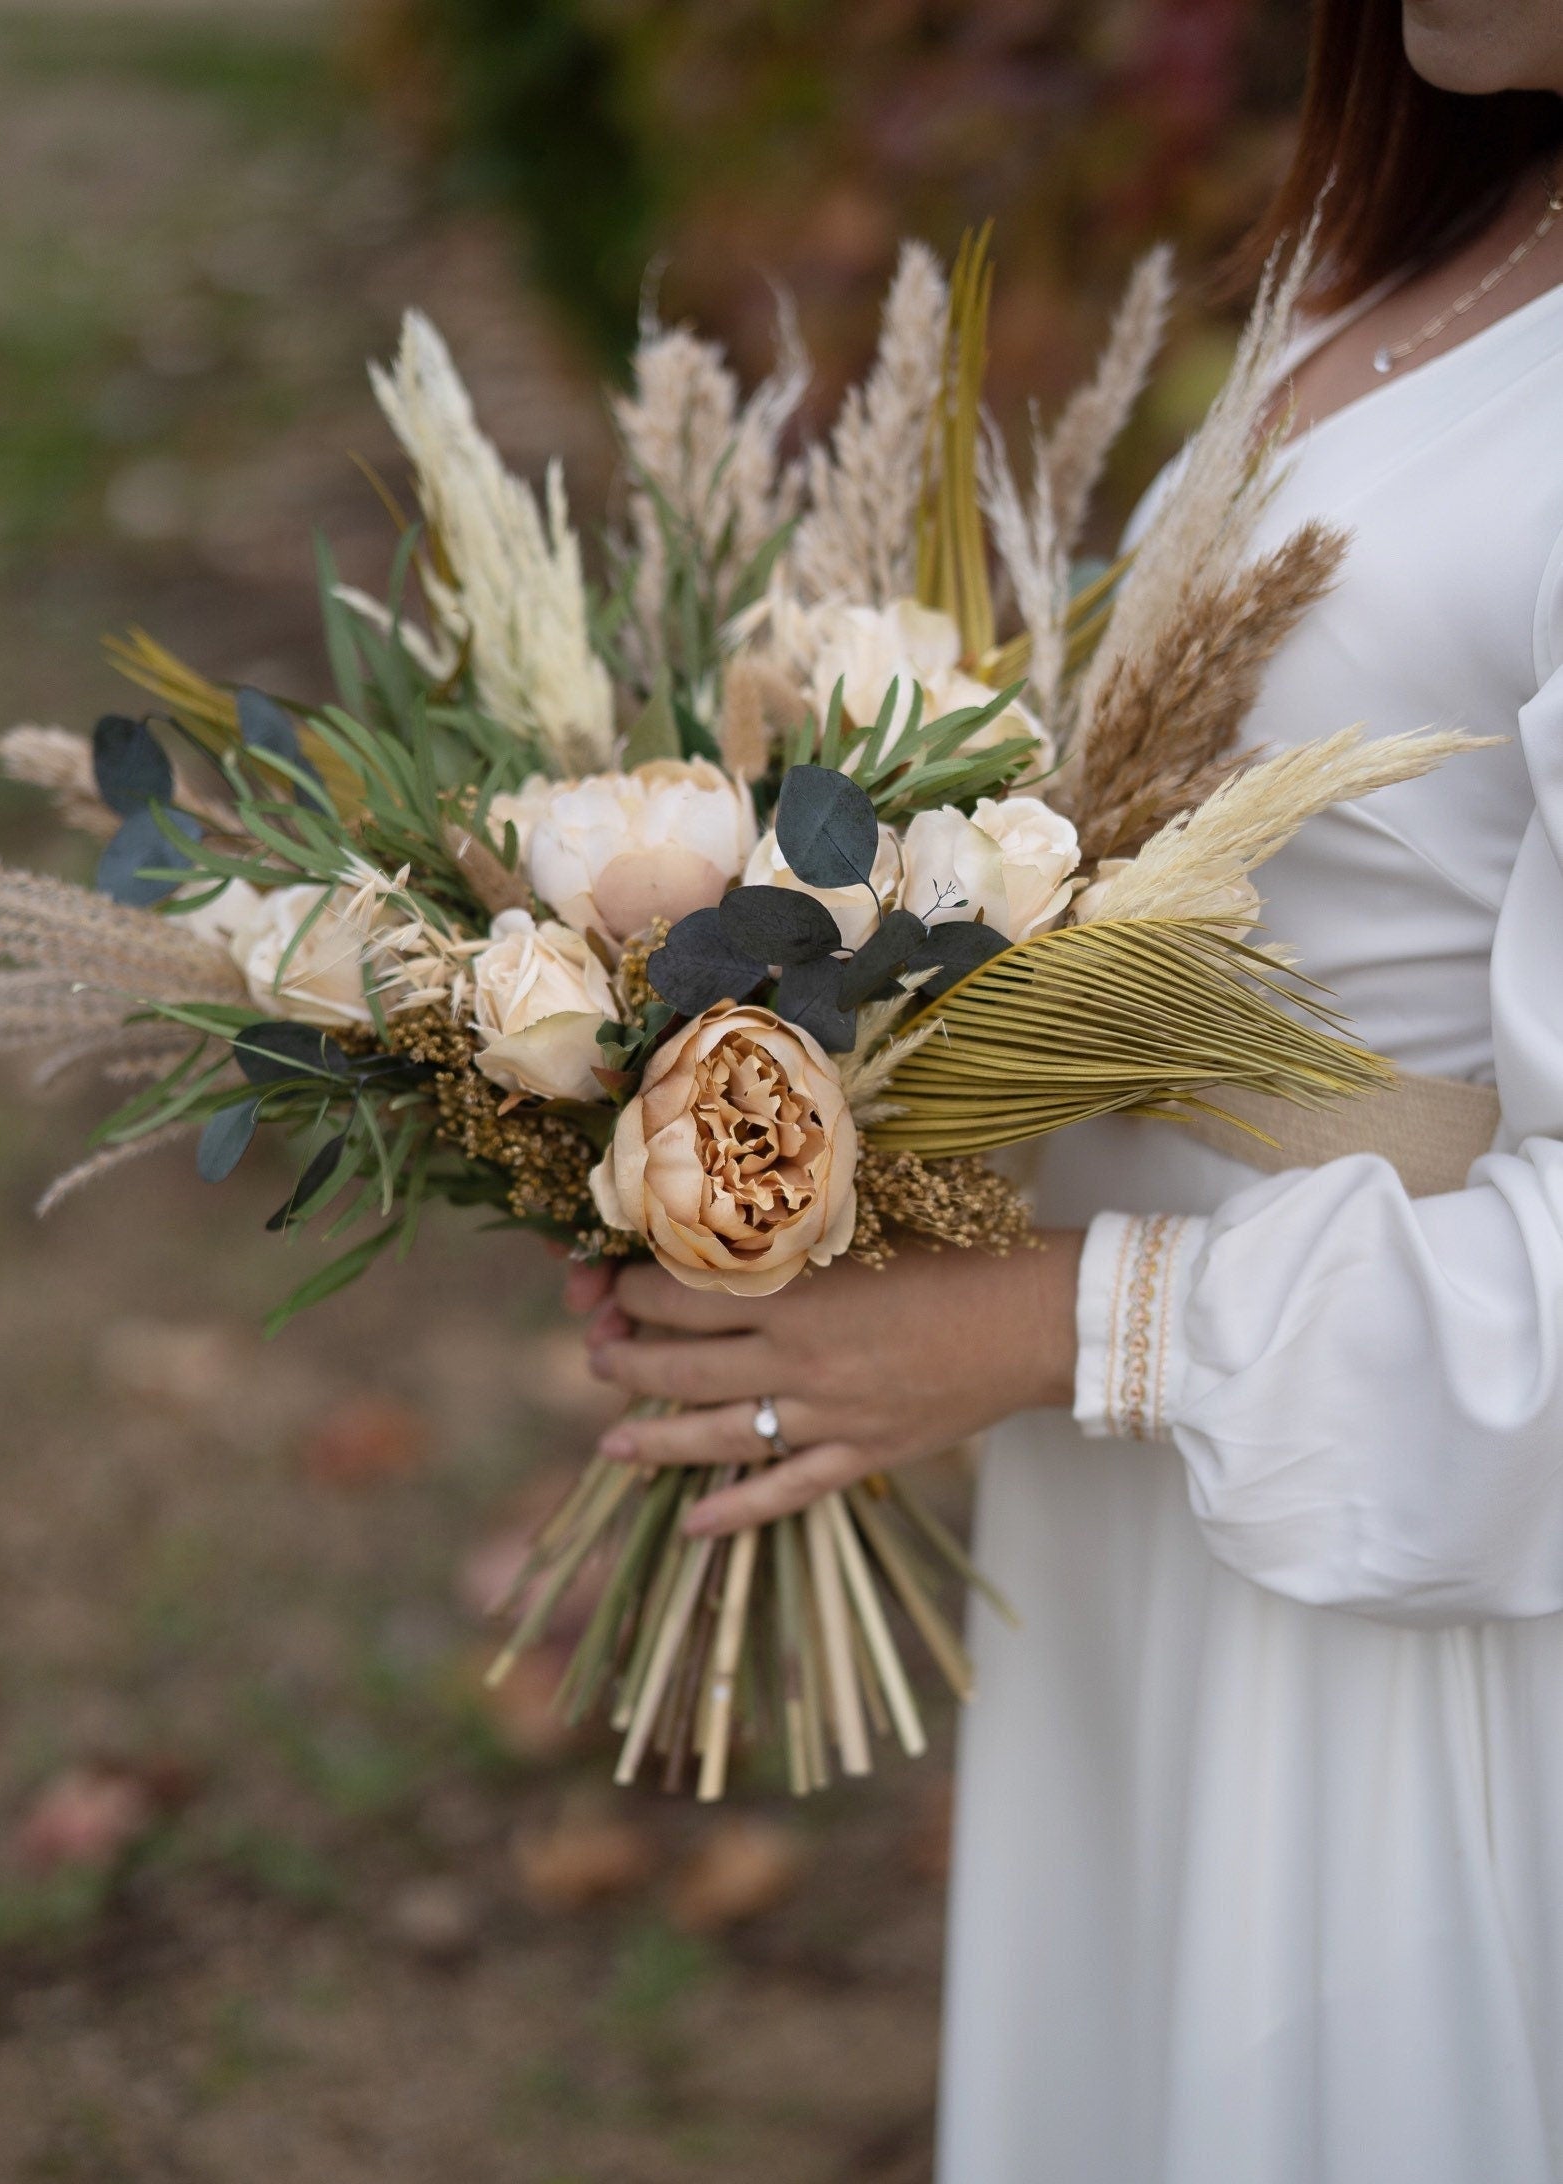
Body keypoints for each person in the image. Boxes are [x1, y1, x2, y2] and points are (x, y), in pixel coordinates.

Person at [568, 1, 1563, 2174]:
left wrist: (1042, 1324)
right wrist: (788, 1151)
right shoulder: (1437, 236)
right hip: (1151, 1517)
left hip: (1413, 1591)